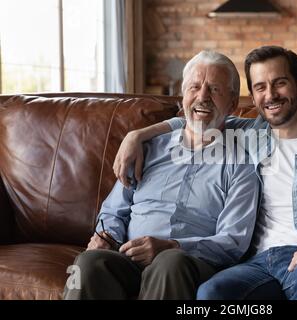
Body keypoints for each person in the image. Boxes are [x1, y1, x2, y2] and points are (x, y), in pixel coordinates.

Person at [112, 46, 297, 300]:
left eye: (279, 83)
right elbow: (196, 116)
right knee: (212, 292)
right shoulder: (250, 133)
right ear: (252, 96)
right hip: (260, 263)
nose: (270, 95)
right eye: (260, 87)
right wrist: (137, 135)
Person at [63, 50, 259, 300]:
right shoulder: (147, 149)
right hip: (129, 256)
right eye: (194, 87)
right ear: (183, 96)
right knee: (89, 263)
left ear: (232, 103)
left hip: (188, 262)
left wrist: (172, 246)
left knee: (170, 262)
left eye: (214, 89)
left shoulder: (241, 164)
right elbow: (114, 211)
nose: (202, 97)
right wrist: (107, 237)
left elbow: (233, 241)